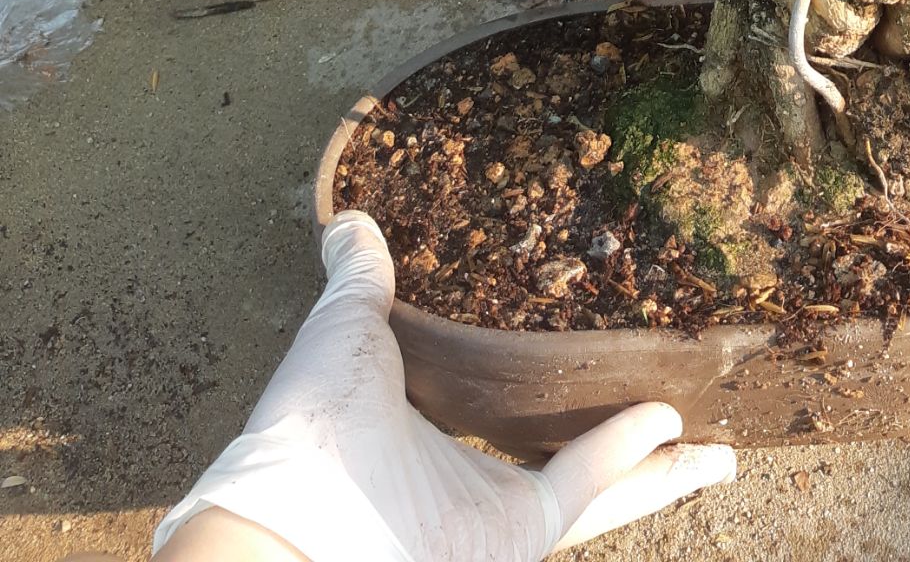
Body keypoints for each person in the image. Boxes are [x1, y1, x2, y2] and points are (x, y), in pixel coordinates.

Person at [65, 212, 737, 562]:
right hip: (299, 469)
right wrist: (354, 250)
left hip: (330, 498)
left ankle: (691, 462)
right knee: (362, 290)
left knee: (542, 507)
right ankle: (684, 457)